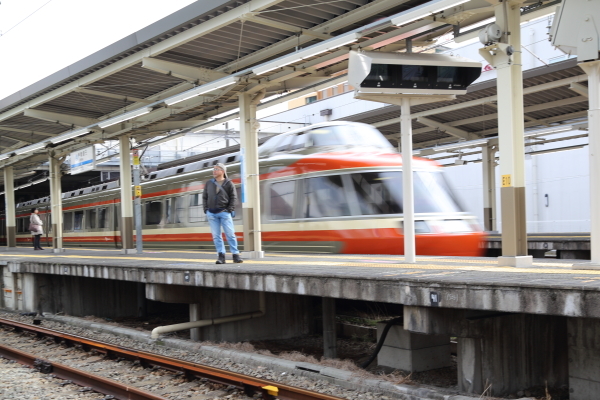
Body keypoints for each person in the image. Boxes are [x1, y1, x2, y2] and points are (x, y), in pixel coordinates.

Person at [203, 163, 243, 264]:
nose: (214, 171)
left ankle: (235, 255)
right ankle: (221, 256)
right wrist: (206, 209)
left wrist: (229, 209)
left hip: (224, 212)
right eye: (214, 169)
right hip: (211, 213)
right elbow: (205, 197)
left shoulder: (229, 183)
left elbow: (234, 197)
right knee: (216, 236)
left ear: (223, 171)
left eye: (217, 169)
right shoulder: (209, 183)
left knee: (230, 234)